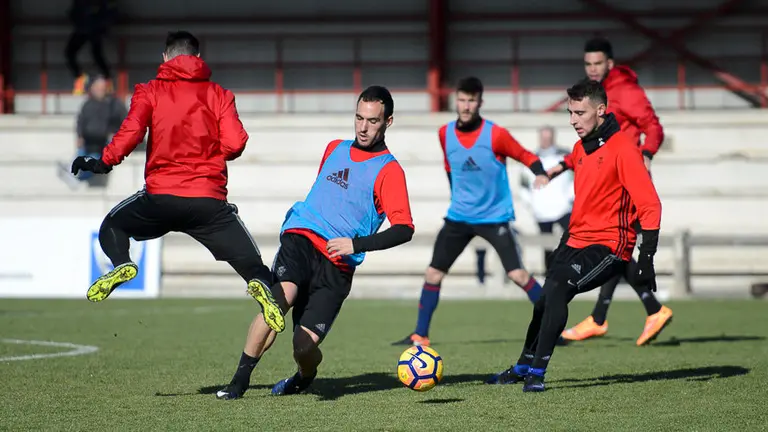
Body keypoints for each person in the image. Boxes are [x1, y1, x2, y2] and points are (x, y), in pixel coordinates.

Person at [70, 31, 281, 329]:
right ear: (197, 58)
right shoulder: (219, 94)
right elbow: (235, 144)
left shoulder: (150, 91)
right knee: (253, 263)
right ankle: (256, 283)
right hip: (209, 202)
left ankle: (124, 264)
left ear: (165, 57)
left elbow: (131, 133)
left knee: (112, 226)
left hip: (160, 197)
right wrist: (208, 156)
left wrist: (103, 162)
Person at [215, 86, 414, 400]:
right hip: (302, 238)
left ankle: (305, 376)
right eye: (359, 118)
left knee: (303, 346)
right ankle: (238, 383)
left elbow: (404, 229)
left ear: (388, 122)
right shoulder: (334, 147)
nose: (363, 127)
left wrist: (356, 244)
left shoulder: (390, 171)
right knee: (279, 302)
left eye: (372, 121)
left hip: (337, 263)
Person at [487, 78, 663, 392]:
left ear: (602, 111)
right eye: (570, 113)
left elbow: (649, 204)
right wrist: (553, 171)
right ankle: (523, 365)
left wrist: (646, 256)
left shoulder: (624, 148)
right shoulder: (581, 147)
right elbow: (578, 167)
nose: (572, 120)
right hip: (574, 239)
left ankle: (536, 374)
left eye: (580, 113)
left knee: (557, 290)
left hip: (610, 244)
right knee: (543, 300)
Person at [392, 77, 551, 348]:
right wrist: (458, 197)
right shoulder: (444, 134)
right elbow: (449, 167)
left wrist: (540, 173)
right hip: (459, 217)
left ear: (480, 102)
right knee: (433, 273)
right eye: (462, 100)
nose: (466, 106)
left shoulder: (496, 134)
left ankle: (552, 326)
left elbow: (524, 154)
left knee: (518, 275)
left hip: (494, 217)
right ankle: (420, 334)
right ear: (456, 100)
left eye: (472, 101)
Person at [561, 37, 672, 346]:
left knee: (615, 247)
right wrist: (561, 165)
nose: (593, 69)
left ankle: (643, 310)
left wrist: (647, 154)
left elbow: (654, 126)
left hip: (626, 180)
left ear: (610, 63)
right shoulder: (594, 94)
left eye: (598, 63)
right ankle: (606, 316)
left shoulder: (625, 90)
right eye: (588, 64)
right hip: (607, 178)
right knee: (614, 248)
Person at [519, 125, 573, 272]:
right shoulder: (532, 159)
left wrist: (570, 200)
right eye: (543, 137)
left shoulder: (563, 157)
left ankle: (573, 272)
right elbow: (524, 186)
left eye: (549, 137)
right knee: (546, 245)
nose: (546, 140)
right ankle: (549, 275)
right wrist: (531, 205)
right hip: (541, 211)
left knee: (573, 241)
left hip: (563, 209)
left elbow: (573, 180)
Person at [58, 76, 127, 189]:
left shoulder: (113, 105)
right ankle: (72, 173)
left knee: (93, 164)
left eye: (102, 88)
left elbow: (122, 120)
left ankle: (75, 176)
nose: (100, 90)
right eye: (97, 87)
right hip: (87, 142)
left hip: (102, 145)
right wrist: (79, 136)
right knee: (80, 159)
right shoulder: (87, 105)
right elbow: (80, 121)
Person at [65, 0, 118, 94]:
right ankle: (81, 77)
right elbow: (74, 11)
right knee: (71, 53)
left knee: (96, 54)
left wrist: (103, 25)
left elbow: (110, 10)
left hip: (94, 29)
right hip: (84, 29)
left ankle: (107, 79)